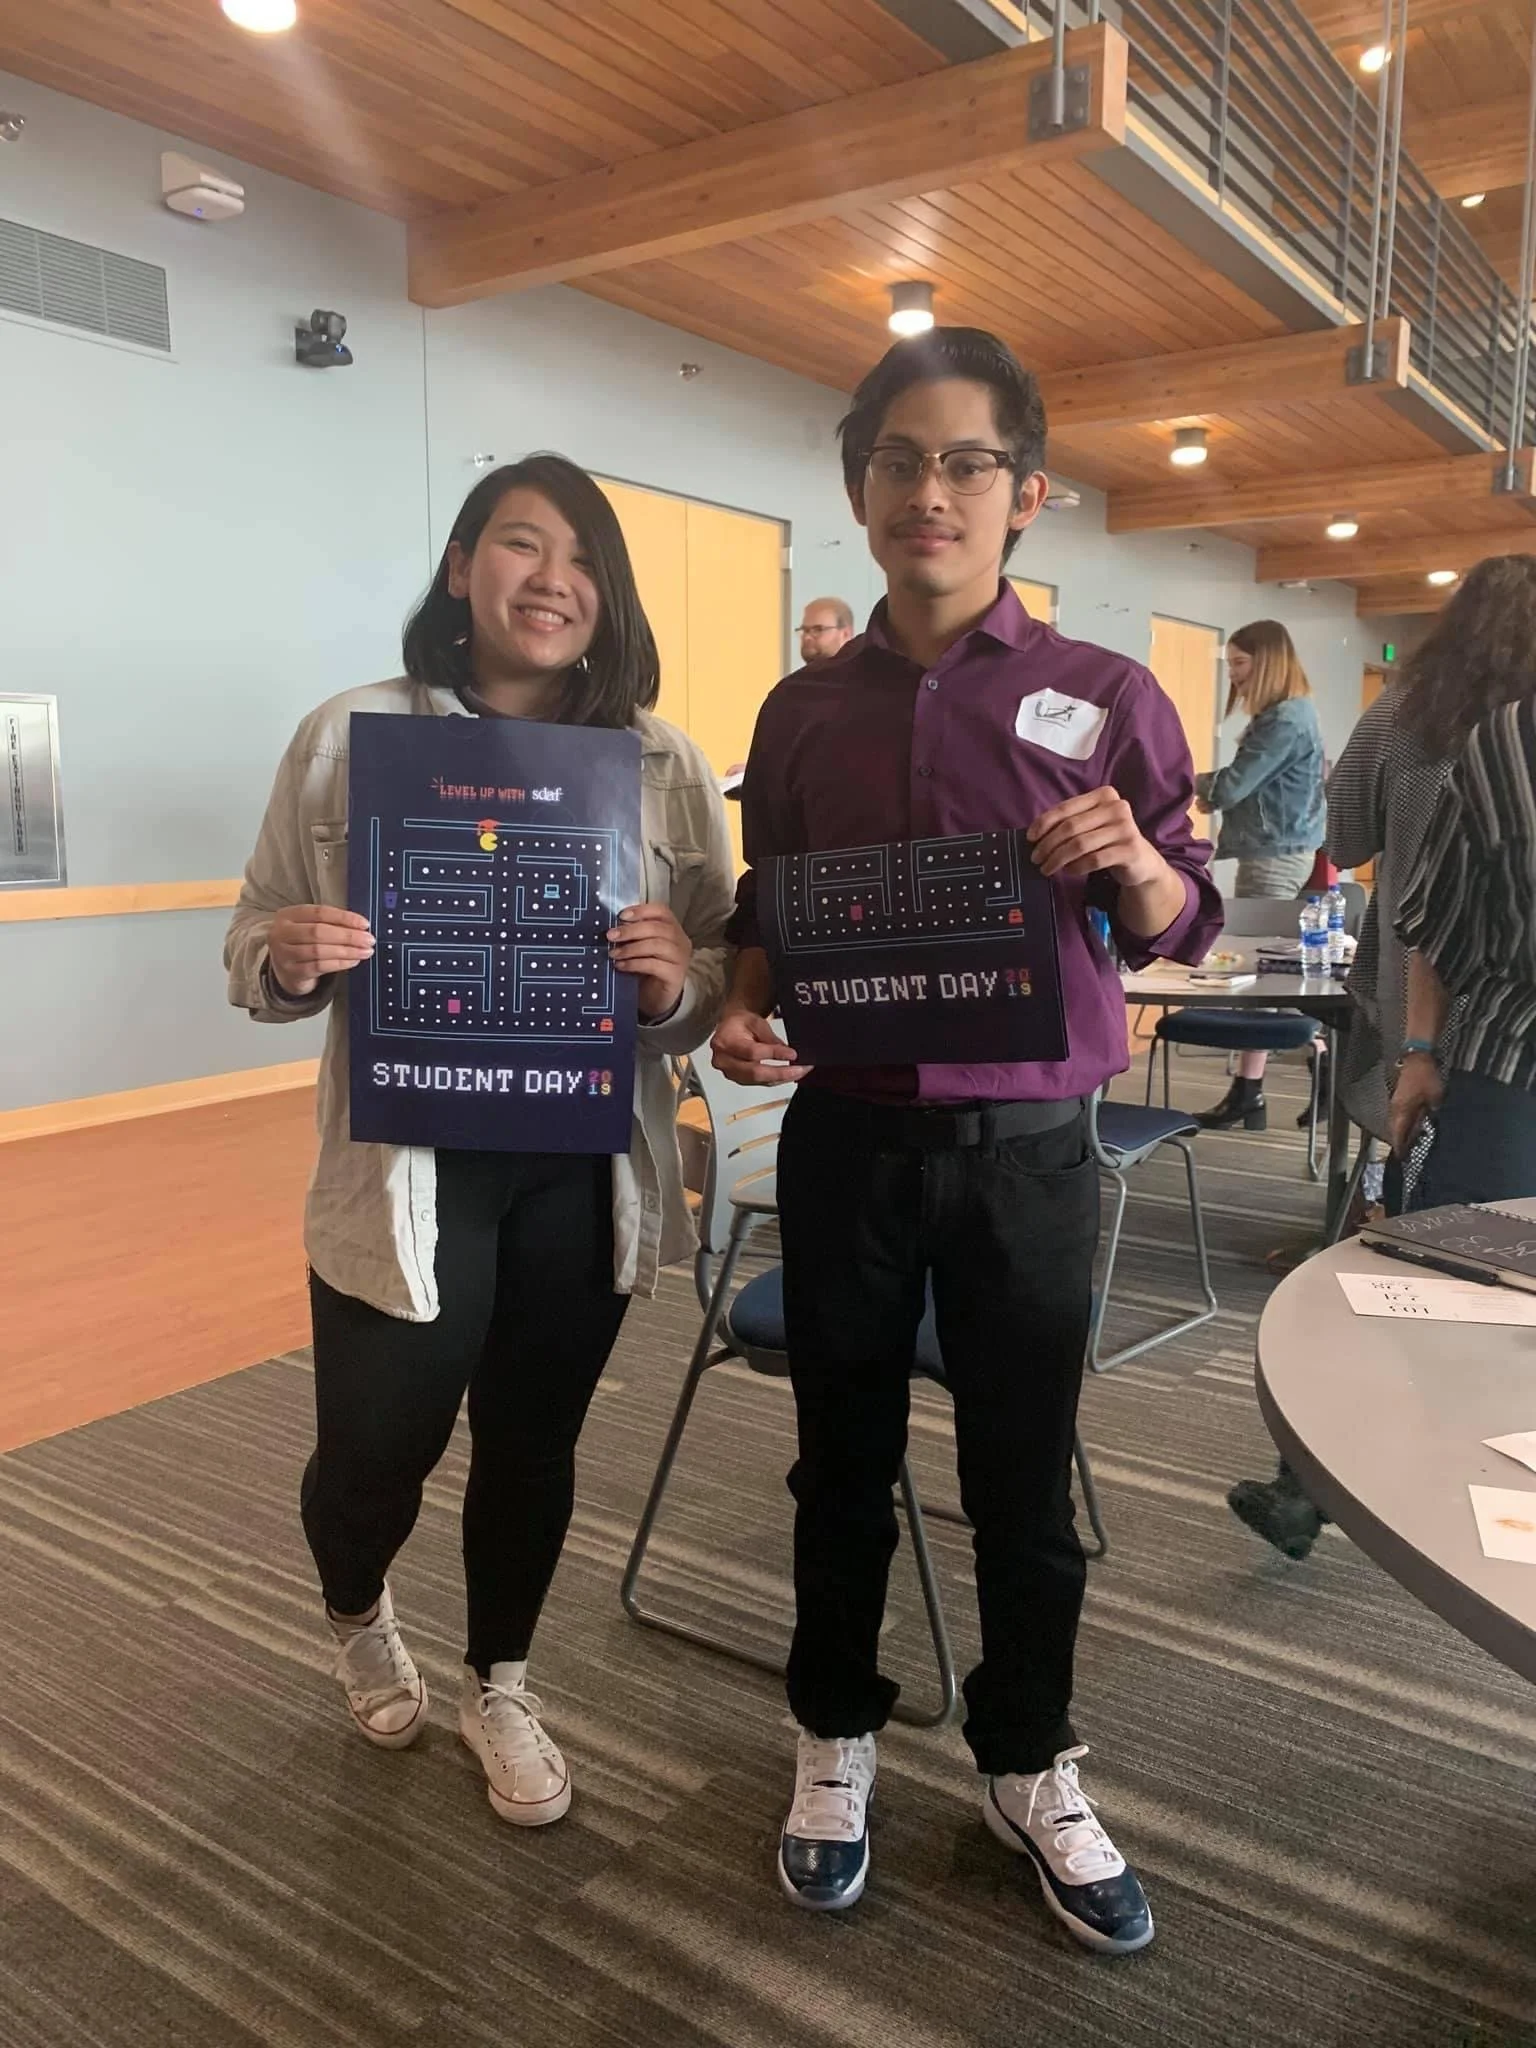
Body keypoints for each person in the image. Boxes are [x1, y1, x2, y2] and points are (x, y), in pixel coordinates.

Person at [711, 327, 1220, 1953]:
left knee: (1022, 1484)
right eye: (899, 459)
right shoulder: (798, 711)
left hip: (1028, 1153)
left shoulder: (1105, 697)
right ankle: (835, 1733)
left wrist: (1132, 854)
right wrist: (739, 1002)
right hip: (845, 1140)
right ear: (857, 487)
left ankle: (1027, 1754)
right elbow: (765, 906)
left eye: (967, 463)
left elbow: (1180, 920)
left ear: (1027, 494)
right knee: (836, 1470)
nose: (931, 491)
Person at [225, 454, 735, 1826]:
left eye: (582, 558)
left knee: (532, 1444)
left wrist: (676, 977)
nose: (552, 579)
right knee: (374, 1454)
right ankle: (356, 1602)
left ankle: (500, 1677)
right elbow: (253, 932)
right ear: (463, 567)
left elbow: (717, 969)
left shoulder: (664, 764)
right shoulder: (352, 736)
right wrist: (288, 953)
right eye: (520, 545)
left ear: (608, 593)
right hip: (405, 1167)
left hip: (583, 1166)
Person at [1390, 559, 1536, 1208]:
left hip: (1450, 1017)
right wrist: (1419, 1051)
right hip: (1511, 1051)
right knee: (1473, 1275)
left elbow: (1342, 835)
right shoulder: (1504, 741)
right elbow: (1439, 916)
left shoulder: (1402, 709)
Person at [1191, 620, 1326, 1131]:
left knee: (1262, 975)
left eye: (1241, 663)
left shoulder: (1285, 719)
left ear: (1268, 661)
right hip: (1275, 848)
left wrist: (1181, 779)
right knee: (1266, 971)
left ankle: (1255, 1090)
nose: (1235, 675)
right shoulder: (1290, 714)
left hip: (1274, 853)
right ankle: (1258, 1088)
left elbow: (1230, 788)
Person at [797, 595, 856, 666]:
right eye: (805, 630)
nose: (807, 637)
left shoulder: (863, 675)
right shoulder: (796, 677)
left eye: (817, 630)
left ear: (845, 634)